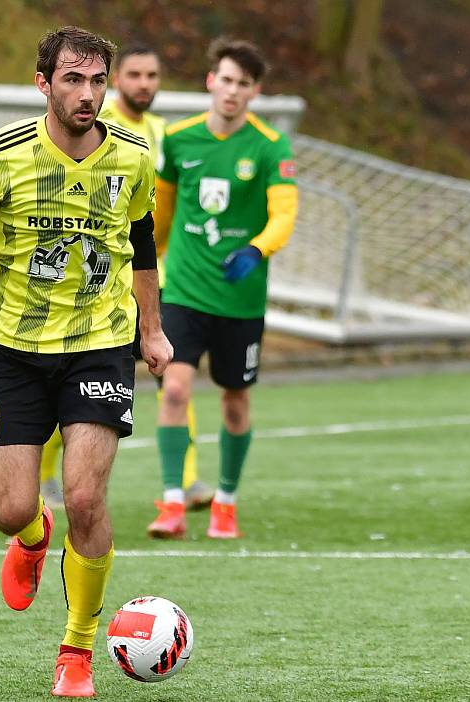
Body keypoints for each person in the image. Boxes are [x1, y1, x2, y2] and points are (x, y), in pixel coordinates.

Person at [0, 26, 172, 698]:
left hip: (100, 340)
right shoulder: (1, 153)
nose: (88, 94)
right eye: (73, 79)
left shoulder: (132, 154)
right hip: (11, 347)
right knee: (11, 510)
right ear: (43, 84)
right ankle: (34, 537)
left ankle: (77, 652)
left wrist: (150, 333)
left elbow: (140, 245)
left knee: (87, 497)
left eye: (98, 81)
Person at [40, 44, 214, 513]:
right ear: (117, 83)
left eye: (153, 75)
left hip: (156, 277)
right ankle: (45, 475)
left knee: (173, 374)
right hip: (96, 282)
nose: (144, 84)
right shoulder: (94, 128)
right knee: (77, 384)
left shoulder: (166, 135)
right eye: (134, 74)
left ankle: (189, 479)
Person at [147, 37, 298, 540]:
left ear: (256, 92)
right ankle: (171, 502)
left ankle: (226, 503)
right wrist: (142, 264)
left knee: (234, 401)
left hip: (240, 299)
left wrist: (256, 249)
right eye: (226, 80)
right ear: (211, 81)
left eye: (244, 84)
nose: (232, 91)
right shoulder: (178, 139)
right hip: (184, 290)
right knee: (174, 387)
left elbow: (284, 214)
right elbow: (163, 215)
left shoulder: (271, 146)